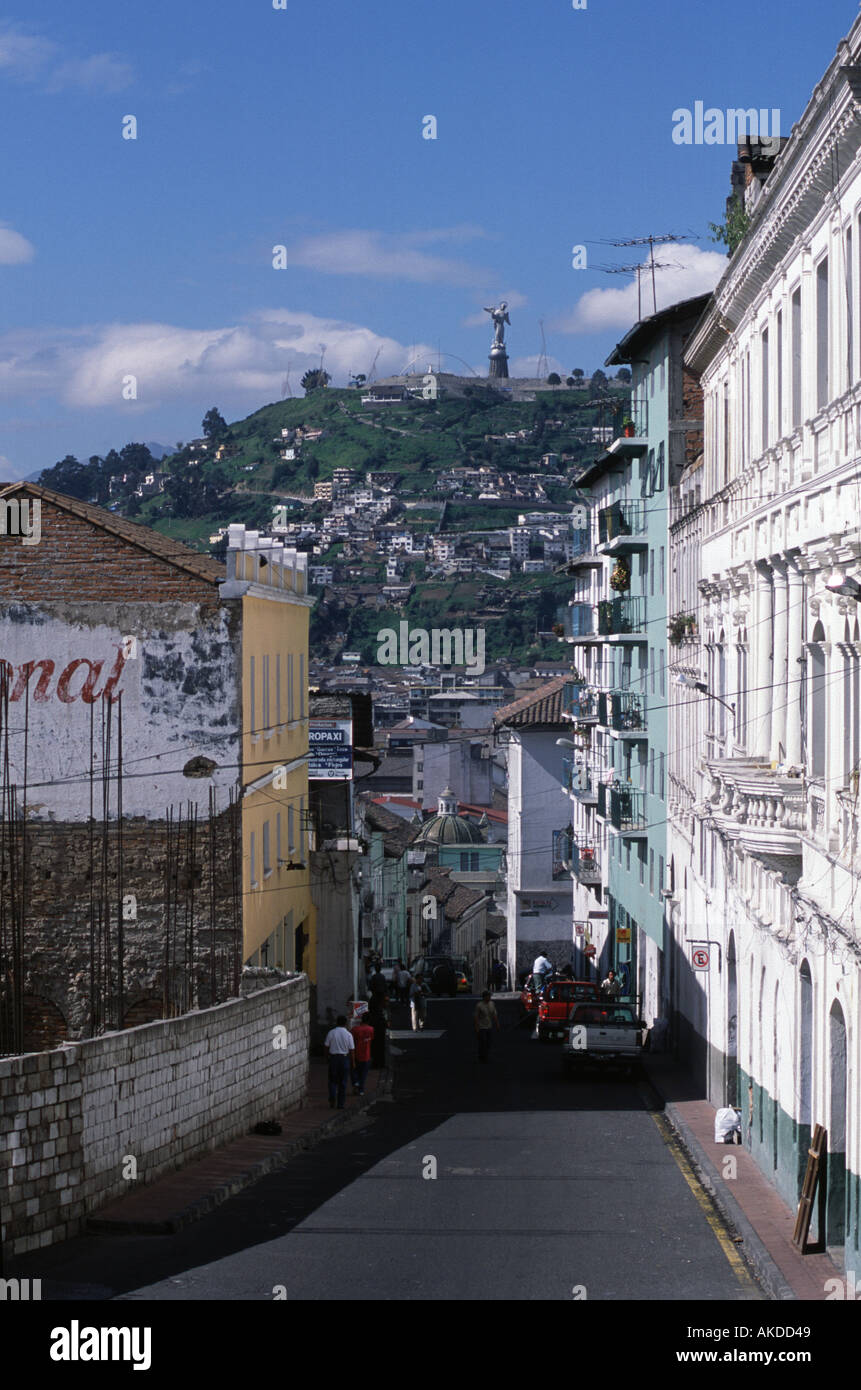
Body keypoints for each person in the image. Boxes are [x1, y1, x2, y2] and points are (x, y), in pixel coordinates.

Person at [324, 1015, 354, 1109]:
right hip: (344, 1059)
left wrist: (327, 1057)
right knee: (343, 1082)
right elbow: (352, 1050)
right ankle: (341, 1104)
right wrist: (353, 1062)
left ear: (336, 1022)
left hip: (334, 1058)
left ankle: (332, 1098)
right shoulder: (348, 1034)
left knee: (332, 1080)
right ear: (345, 1023)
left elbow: (326, 1046)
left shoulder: (331, 1033)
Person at [350, 1012, 375, 1095]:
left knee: (354, 1071)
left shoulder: (354, 1030)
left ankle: (355, 1083)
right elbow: (371, 1039)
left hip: (356, 1054)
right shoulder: (371, 1029)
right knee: (363, 1074)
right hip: (366, 1054)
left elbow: (351, 1042)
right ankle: (361, 1089)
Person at [474, 990, 500, 1062]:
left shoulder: (492, 1004)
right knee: (482, 1042)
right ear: (484, 997)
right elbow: (476, 1017)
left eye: (489, 996)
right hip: (481, 1027)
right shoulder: (479, 1005)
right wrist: (476, 1028)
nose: (489, 998)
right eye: (488, 996)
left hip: (489, 1026)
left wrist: (497, 1024)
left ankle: (485, 1055)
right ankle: (482, 1056)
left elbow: (494, 1014)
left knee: (488, 1042)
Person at [366, 996, 387, 1068]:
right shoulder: (379, 1013)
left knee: (375, 1048)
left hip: (375, 1032)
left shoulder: (372, 1014)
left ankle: (376, 1063)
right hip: (379, 1031)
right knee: (380, 1048)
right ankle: (380, 1063)